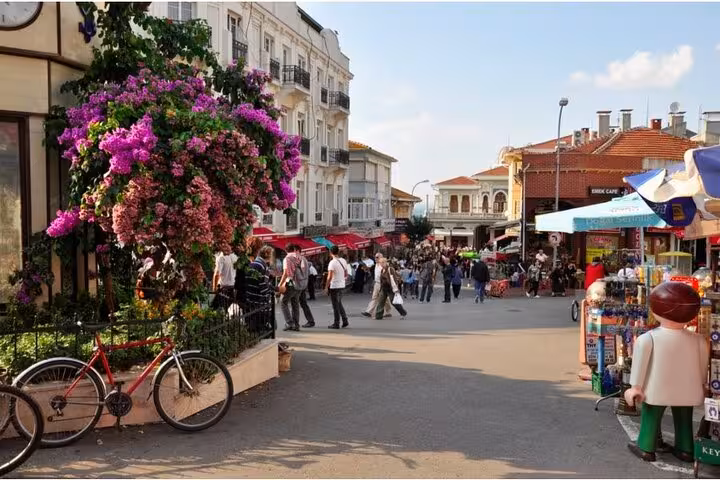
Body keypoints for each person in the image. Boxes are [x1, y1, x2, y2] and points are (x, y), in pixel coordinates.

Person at [625, 282, 707, 463]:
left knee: (651, 416)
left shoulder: (648, 339)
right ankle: (686, 449)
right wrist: (703, 385)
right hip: (689, 390)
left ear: (657, 310)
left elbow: (639, 366)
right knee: (684, 418)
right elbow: (703, 369)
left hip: (657, 390)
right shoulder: (699, 340)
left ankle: (646, 447)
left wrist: (635, 387)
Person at [243, 245, 274, 333]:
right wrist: (273, 290)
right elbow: (263, 287)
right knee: (266, 326)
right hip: (260, 302)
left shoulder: (252, 264)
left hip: (250, 299)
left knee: (252, 325)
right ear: (267, 254)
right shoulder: (263, 267)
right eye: (271, 254)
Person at [278, 244, 308, 332]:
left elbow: (286, 273)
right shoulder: (302, 258)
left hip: (290, 283)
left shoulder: (287, 258)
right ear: (294, 249)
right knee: (295, 304)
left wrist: (280, 284)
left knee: (283, 302)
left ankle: (289, 323)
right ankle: (296, 325)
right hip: (300, 283)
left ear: (285, 250)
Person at [326, 246, 350, 329]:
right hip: (342, 284)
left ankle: (336, 323)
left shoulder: (332, 263)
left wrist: (326, 287)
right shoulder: (343, 260)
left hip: (335, 286)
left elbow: (329, 276)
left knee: (335, 305)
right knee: (339, 303)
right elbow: (346, 273)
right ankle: (345, 320)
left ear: (330, 253)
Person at [362, 253, 392, 318]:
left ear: (381, 258)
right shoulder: (375, 265)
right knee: (374, 298)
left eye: (377, 257)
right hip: (377, 283)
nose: (376, 258)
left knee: (385, 299)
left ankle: (388, 311)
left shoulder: (384, 266)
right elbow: (369, 269)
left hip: (383, 284)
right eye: (375, 257)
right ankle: (368, 312)